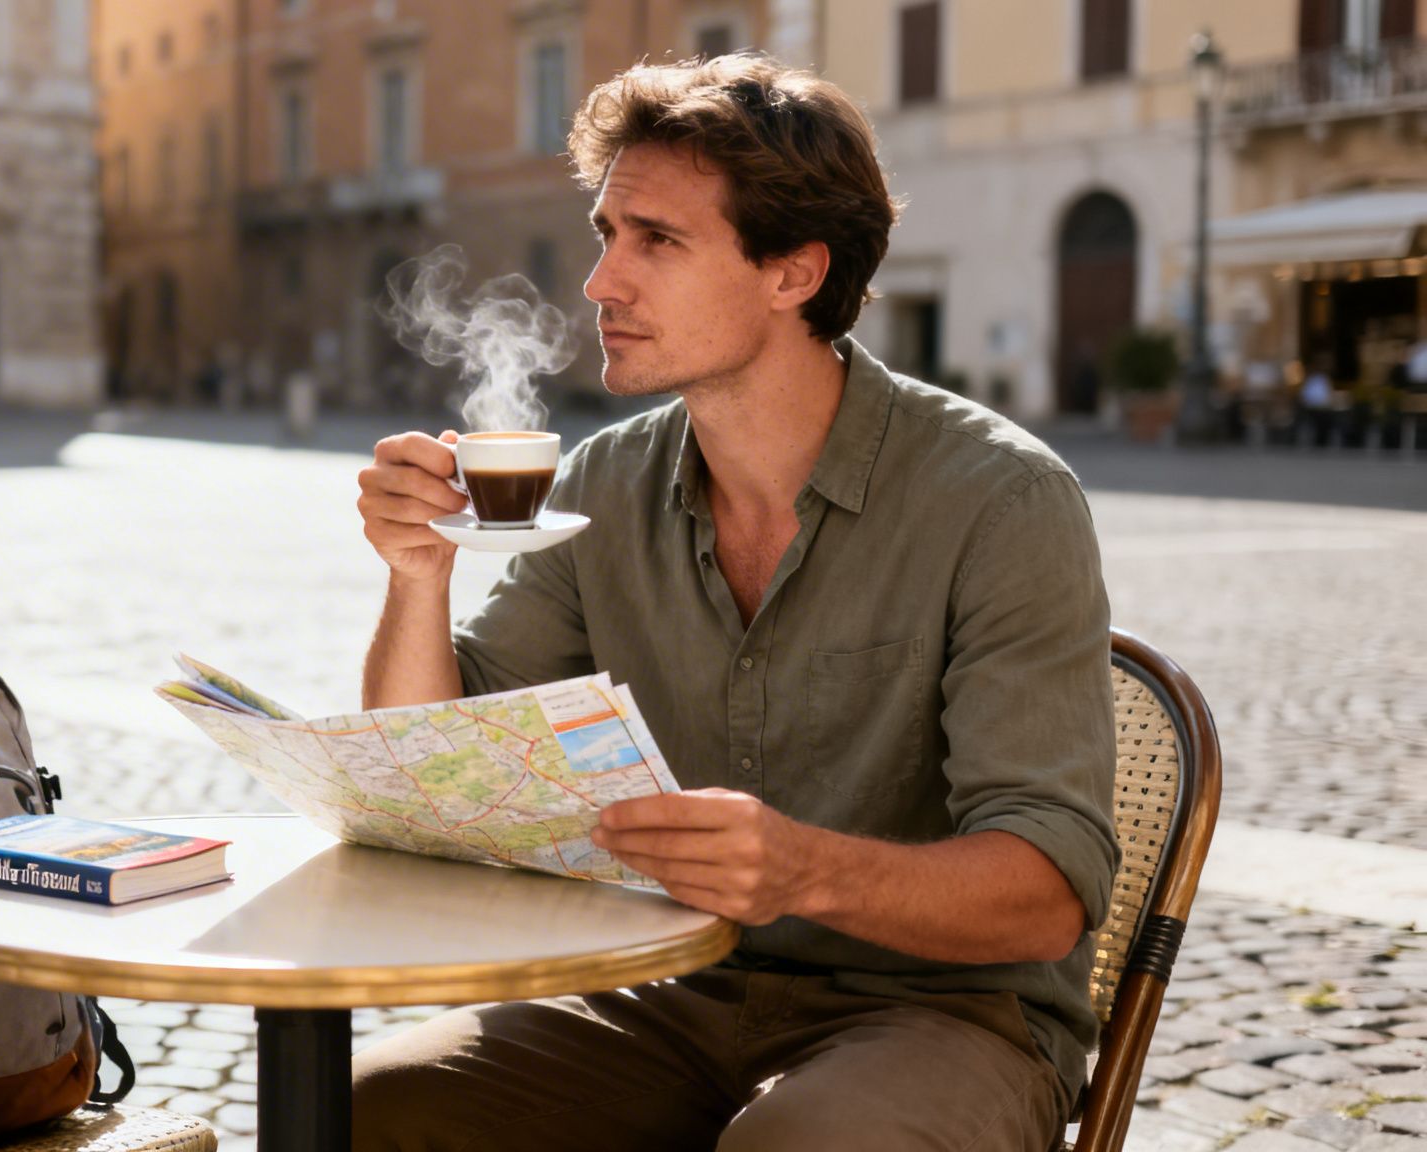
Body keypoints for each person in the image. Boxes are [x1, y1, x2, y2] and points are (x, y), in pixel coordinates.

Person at [351, 54, 1117, 1152]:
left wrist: (804, 868)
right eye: (605, 233)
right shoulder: (600, 489)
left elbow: (1044, 890)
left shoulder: (1001, 500)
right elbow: (428, 774)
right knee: (367, 1105)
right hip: (663, 985)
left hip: (943, 1012)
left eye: (654, 240)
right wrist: (416, 577)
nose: (599, 283)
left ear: (793, 273)